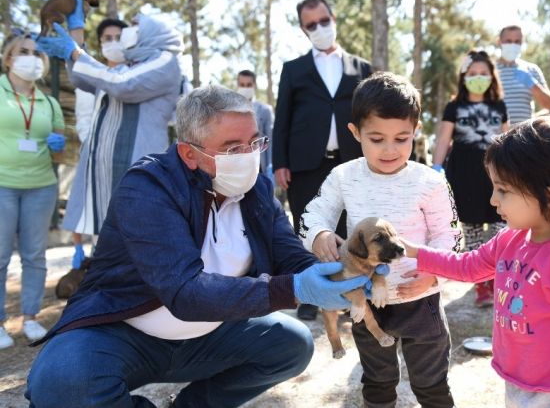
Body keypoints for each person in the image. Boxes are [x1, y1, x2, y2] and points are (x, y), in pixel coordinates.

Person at [25, 85, 379, 408]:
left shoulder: (255, 188)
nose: (249, 156)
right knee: (61, 381)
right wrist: (295, 289)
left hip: (209, 336)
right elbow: (185, 290)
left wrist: (335, 276)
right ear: (188, 154)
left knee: (292, 344)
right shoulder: (147, 188)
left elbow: (287, 252)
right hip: (125, 333)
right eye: (232, 148)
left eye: (255, 142)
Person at [403, 117, 550, 407]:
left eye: (503, 190)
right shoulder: (511, 239)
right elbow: (468, 266)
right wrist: (417, 253)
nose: (493, 200)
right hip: (522, 384)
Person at [300, 72, 460, 408]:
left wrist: (435, 273)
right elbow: (311, 216)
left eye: (402, 139)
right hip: (367, 297)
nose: (390, 149)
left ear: (416, 132)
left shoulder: (429, 181)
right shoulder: (343, 176)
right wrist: (320, 235)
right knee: (377, 380)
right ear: (355, 132)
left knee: (431, 383)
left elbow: (451, 235)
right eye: (376, 139)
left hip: (422, 298)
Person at [37, 0, 184, 245]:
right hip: (104, 178)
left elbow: (122, 86)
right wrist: (74, 40)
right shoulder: (128, 65)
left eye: (136, 25)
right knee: (105, 254)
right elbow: (85, 79)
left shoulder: (165, 61)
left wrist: (74, 51)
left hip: (138, 173)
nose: (129, 31)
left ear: (153, 31)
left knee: (137, 250)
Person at [273, 0, 373, 321]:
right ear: (303, 30)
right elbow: (282, 119)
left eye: (323, 21)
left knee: (350, 225)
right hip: (305, 163)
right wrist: (280, 163)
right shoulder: (293, 70)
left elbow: (371, 118)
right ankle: (310, 296)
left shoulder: (362, 68)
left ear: (334, 18)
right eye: (311, 25)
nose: (319, 28)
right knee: (309, 225)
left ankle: (350, 290)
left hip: (350, 160)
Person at [0, 31, 66, 349]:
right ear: (8, 58)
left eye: (37, 53)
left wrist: (59, 144)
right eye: (24, 51)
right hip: (2, 184)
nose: (32, 58)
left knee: (35, 255)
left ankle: (30, 317)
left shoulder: (49, 102)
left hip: (41, 186)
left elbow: (58, 154)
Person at [432, 50, 509, 307]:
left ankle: (499, 278)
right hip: (464, 177)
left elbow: (507, 138)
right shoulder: (453, 107)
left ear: (492, 76)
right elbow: (444, 139)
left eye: (483, 73)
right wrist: (436, 167)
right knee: (473, 232)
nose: (478, 77)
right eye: (473, 73)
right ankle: (482, 285)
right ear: (464, 76)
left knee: (501, 228)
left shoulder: (499, 106)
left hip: (496, 176)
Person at [69, 17, 128, 270]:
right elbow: (84, 121)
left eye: (119, 38)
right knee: (102, 233)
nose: (113, 43)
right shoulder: (92, 77)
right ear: (100, 43)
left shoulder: (138, 76)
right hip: (98, 167)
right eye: (107, 38)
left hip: (130, 163)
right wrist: (97, 148)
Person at [496, 25, 550, 124]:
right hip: (494, 136)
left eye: (517, 42)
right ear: (499, 42)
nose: (513, 45)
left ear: (522, 43)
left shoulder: (531, 69)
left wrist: (532, 84)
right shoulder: (489, 70)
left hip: (522, 137)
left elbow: (549, 105)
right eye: (508, 41)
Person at [236, 69, 274, 181]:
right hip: (236, 165)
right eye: (242, 84)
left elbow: (270, 141)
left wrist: (270, 167)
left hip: (258, 167)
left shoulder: (265, 110)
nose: (245, 87)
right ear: (237, 84)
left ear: (254, 85)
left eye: (248, 85)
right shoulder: (229, 109)